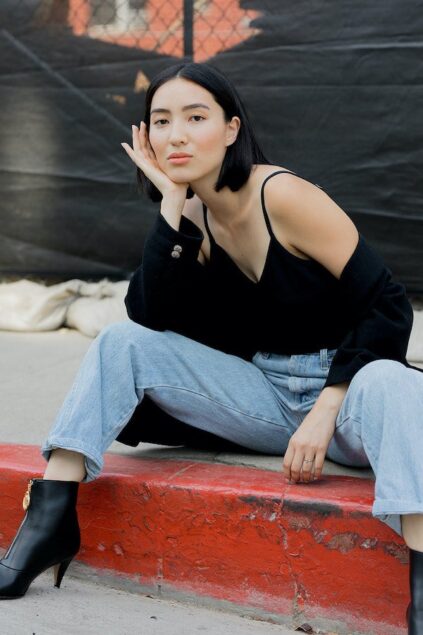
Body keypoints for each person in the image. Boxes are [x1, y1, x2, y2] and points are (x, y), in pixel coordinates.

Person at [0, 61, 421, 632]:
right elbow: (148, 319)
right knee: (120, 341)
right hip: (264, 395)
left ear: (230, 128)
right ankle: (50, 518)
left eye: (195, 118)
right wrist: (172, 203)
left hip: (347, 403)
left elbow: (389, 304)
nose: (176, 135)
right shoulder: (193, 215)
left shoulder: (283, 194)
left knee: (393, 380)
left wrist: (327, 409)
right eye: (161, 121)